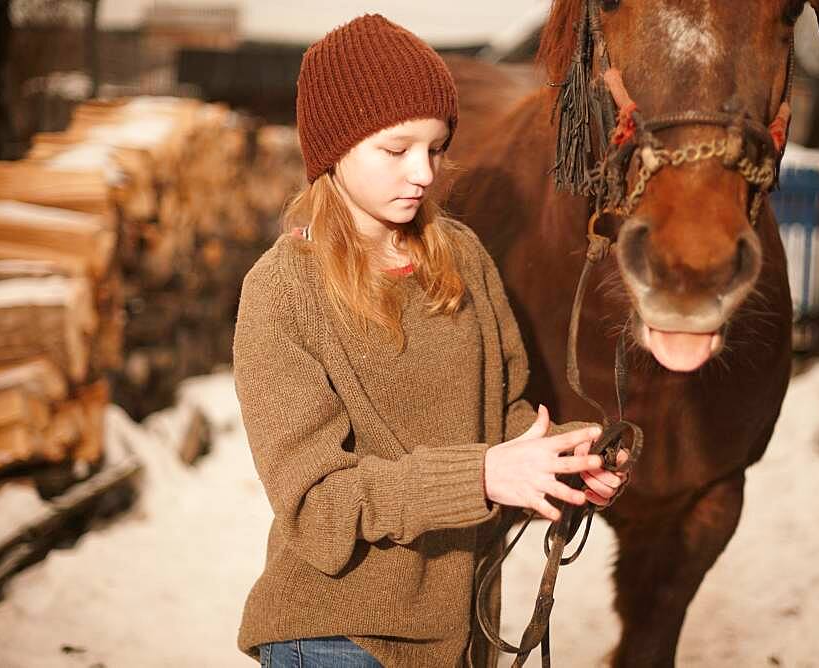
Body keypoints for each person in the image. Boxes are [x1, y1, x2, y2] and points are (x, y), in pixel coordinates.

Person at [232, 14, 628, 668]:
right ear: (334, 147)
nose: (424, 172)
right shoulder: (281, 291)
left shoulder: (462, 256)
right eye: (396, 150)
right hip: (336, 638)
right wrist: (482, 475)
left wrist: (564, 460)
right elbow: (318, 506)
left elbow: (500, 417)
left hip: (465, 636)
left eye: (437, 148)